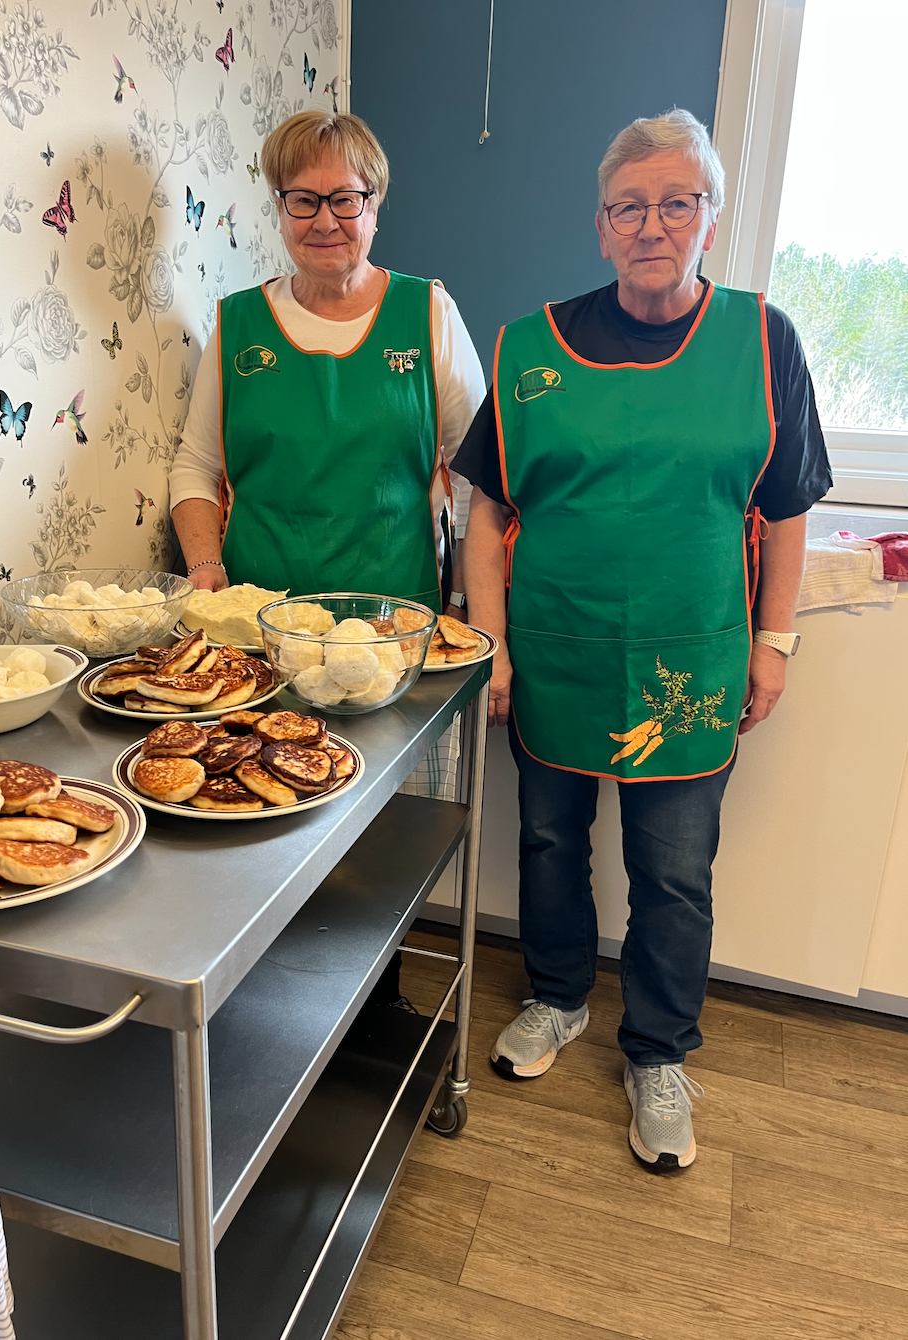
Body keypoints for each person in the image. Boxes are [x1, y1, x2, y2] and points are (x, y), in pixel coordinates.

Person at [459, 110, 831, 1172]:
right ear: (601, 224)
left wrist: (775, 642)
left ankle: (660, 1051)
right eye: (629, 207)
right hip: (555, 652)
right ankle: (557, 994)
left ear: (712, 216)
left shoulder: (764, 342)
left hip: (694, 660)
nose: (652, 224)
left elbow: (789, 507)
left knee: (674, 872)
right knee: (548, 841)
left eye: (677, 202)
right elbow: (487, 510)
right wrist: (492, 643)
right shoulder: (528, 347)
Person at [169, 110, 484, 616]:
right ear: (280, 209)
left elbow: (474, 479)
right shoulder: (237, 324)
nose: (323, 221)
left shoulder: (430, 314)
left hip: (398, 625)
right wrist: (206, 566)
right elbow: (196, 466)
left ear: (373, 207)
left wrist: (463, 603)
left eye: (344, 199)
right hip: (255, 626)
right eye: (303, 200)